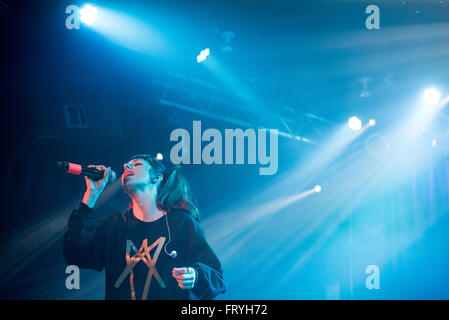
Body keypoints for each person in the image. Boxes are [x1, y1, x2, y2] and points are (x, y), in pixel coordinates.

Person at [63, 154, 226, 300]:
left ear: (156, 178)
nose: (126, 167)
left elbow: (216, 276)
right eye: (126, 165)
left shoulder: (181, 223)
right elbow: (75, 253)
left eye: (137, 164)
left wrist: (196, 275)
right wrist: (91, 194)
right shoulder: (113, 225)